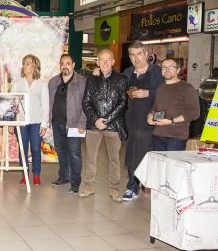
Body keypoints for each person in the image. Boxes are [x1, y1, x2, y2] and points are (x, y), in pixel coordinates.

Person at [81, 49, 128, 202]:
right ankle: (89, 186)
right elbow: (86, 102)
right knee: (90, 158)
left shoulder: (121, 79)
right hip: (94, 126)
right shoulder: (91, 79)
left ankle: (114, 189)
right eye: (102, 60)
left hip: (113, 126)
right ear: (98, 62)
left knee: (114, 159)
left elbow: (123, 103)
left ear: (113, 62)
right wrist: (95, 119)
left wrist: (106, 120)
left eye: (109, 60)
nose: (106, 63)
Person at [121, 42, 163, 201]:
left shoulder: (157, 72)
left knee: (149, 155)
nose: (136, 58)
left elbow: (165, 95)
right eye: (132, 55)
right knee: (131, 155)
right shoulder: (128, 72)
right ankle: (132, 186)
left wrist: (149, 93)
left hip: (151, 121)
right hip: (132, 121)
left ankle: (150, 183)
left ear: (146, 54)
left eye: (139, 54)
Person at [46, 54, 87, 194]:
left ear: (73, 65)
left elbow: (86, 105)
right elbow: (48, 104)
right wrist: (48, 122)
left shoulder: (82, 82)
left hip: (74, 125)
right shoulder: (53, 82)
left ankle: (75, 182)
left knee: (74, 154)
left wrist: (82, 123)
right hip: (57, 123)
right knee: (61, 152)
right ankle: (63, 177)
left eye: (68, 63)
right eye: (62, 63)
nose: (65, 66)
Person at [11, 54, 49, 186]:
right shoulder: (17, 84)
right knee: (22, 149)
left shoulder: (42, 84)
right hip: (21, 122)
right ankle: (25, 174)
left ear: (34, 66)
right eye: (24, 63)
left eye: (27, 63)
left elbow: (45, 105)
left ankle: (36, 175)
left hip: (36, 122)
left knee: (35, 149)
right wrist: (11, 123)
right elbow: (13, 104)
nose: (24, 66)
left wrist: (44, 124)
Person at [147, 59, 200, 151]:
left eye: (171, 67)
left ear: (178, 70)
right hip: (158, 134)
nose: (167, 69)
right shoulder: (161, 87)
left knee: (172, 165)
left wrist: (171, 121)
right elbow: (155, 107)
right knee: (159, 165)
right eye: (164, 67)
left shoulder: (187, 88)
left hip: (176, 137)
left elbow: (194, 113)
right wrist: (150, 115)